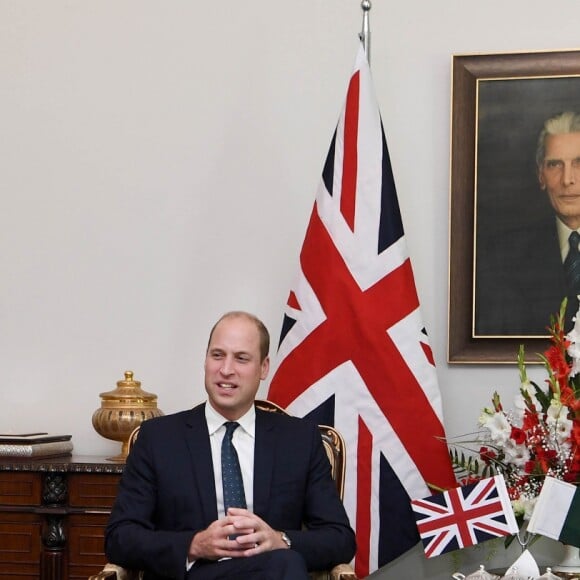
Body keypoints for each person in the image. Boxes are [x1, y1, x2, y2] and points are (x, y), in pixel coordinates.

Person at [105, 311, 356, 580]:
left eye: (241, 358)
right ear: (205, 361)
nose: (226, 370)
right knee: (285, 566)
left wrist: (279, 539)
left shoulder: (299, 441)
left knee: (284, 562)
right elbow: (120, 537)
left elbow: (340, 538)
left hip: (270, 572)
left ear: (263, 368)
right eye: (217, 355)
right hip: (192, 576)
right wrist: (195, 545)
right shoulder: (158, 439)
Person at [475, 111, 580, 335]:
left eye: (579, 163)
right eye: (555, 165)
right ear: (540, 175)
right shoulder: (505, 257)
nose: (568, 179)